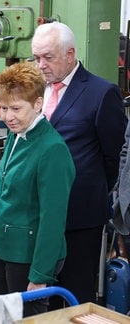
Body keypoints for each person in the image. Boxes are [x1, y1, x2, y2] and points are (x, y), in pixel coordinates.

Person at [31, 22, 128, 308]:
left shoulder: (101, 93)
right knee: (38, 297)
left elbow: (115, 156)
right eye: (36, 58)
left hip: (80, 217)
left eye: (47, 57)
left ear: (70, 54)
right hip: (37, 214)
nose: (40, 65)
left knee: (74, 297)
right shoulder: (37, 90)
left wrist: (91, 188)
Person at [0, 62, 75, 317]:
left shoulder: (52, 149)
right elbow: (2, 196)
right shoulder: (16, 135)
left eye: (15, 108)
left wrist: (40, 274)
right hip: (4, 250)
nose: (7, 116)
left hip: (29, 257)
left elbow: (53, 220)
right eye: (3, 108)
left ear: (37, 104)